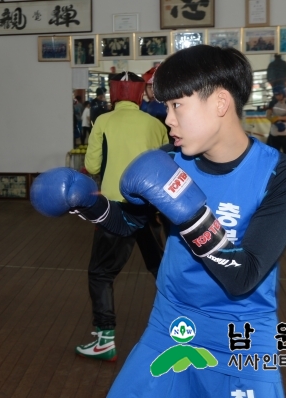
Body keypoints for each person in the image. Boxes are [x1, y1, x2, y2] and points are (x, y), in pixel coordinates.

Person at [31, 45, 286, 396]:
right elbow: (129, 225)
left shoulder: (282, 175)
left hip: (241, 336)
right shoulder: (168, 161)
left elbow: (243, 276)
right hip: (172, 322)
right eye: (166, 107)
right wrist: (89, 203)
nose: (168, 119)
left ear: (220, 103)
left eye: (177, 105)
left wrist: (192, 214)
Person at [78, 71, 168, 361]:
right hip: (149, 206)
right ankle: (187, 328)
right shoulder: (155, 123)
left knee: (101, 273)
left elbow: (92, 165)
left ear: (114, 93)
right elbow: (166, 163)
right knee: (161, 269)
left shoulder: (103, 120)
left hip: (115, 210)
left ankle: (104, 340)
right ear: (140, 93)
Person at [265, 86, 286, 155]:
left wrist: (279, 118)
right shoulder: (272, 103)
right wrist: (273, 120)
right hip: (275, 131)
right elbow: (268, 115)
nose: (277, 96)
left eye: (279, 94)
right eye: (276, 95)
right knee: (274, 153)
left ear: (283, 94)